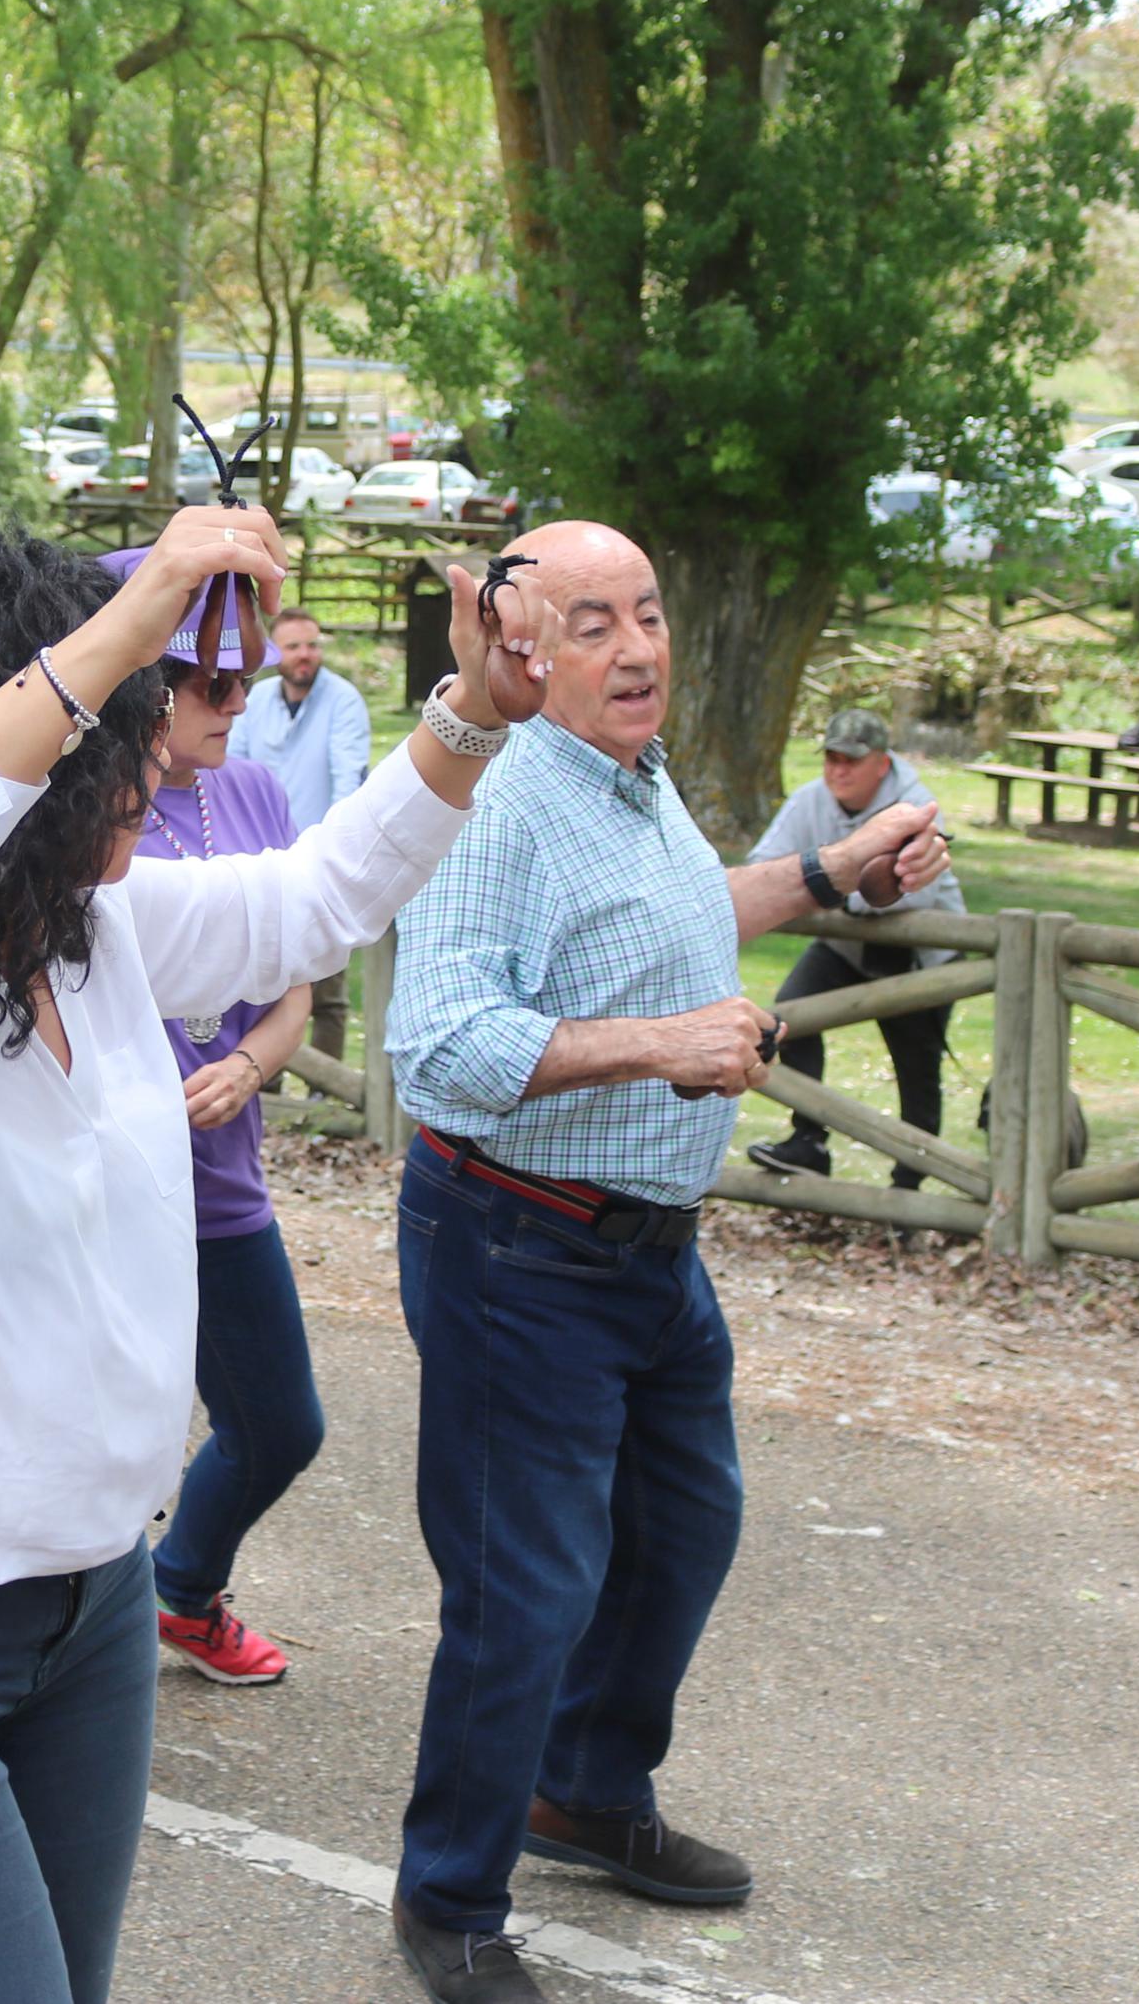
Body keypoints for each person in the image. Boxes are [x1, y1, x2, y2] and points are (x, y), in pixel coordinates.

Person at [0, 512, 538, 2004]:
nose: (162, 756)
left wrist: (466, 716)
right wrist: (119, 622)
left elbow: (313, 898)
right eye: (124, 721)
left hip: (87, 1609)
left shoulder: (93, 927)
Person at [381, 521, 948, 2004]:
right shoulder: (494, 801)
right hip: (514, 1238)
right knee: (525, 1584)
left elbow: (691, 912)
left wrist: (835, 865)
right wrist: (663, 1045)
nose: (636, 644)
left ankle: (581, 1787)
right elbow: (433, 1047)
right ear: (520, 650)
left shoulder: (630, 784)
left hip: (645, 1251)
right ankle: (446, 1892)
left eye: (644, 610)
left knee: (683, 1530)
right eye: (590, 621)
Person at [104, 551, 330, 1691]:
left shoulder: (257, 792)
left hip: (217, 1181)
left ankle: (178, 1588)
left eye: (246, 678)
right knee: (95, 1431)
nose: (238, 703)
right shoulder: (81, 792)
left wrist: (247, 1062)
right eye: (212, 684)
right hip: (96, 1191)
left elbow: (292, 983)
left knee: (280, 1423)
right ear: (144, 674)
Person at [740, 708, 973, 1191]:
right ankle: (809, 1142)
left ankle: (910, 1185)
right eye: (830, 757)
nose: (837, 770)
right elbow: (762, 865)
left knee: (916, 1065)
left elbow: (913, 892)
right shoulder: (810, 800)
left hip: (919, 956)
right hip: (845, 946)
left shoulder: (916, 806)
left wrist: (823, 884)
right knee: (790, 1019)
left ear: (882, 764)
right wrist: (842, 883)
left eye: (850, 760)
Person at [230, 605, 371, 1054]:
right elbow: (233, 769)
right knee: (261, 982)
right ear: (275, 652)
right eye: (294, 646)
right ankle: (265, 1083)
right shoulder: (253, 701)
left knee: (325, 987)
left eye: (313, 645)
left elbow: (347, 778)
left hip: (319, 861)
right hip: (261, 860)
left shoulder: (343, 699)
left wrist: (331, 854)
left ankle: (322, 1092)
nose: (306, 655)